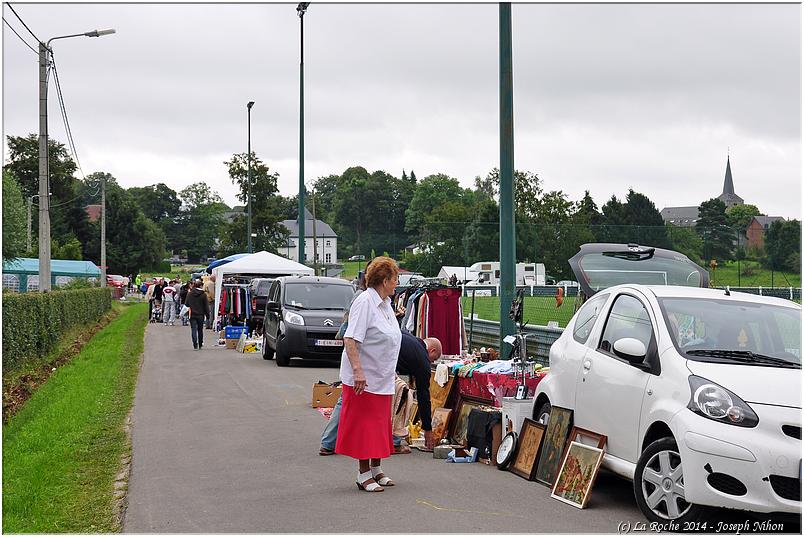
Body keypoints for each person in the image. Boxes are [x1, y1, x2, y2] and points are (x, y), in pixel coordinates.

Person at [335, 256, 401, 493]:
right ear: (384, 280)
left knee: (379, 425)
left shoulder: (385, 305)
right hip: (364, 376)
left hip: (382, 376)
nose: (397, 283)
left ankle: (376, 468)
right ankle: (363, 473)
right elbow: (350, 338)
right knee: (364, 426)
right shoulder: (365, 302)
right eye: (395, 279)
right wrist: (358, 370)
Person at [320, 333, 442, 456]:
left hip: (360, 359)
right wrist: (427, 429)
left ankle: (327, 444)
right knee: (396, 403)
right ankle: (393, 443)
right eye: (434, 359)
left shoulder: (409, 338)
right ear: (432, 350)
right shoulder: (422, 359)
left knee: (346, 400)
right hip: (376, 370)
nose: (431, 362)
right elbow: (423, 395)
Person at [185, 279, 210, 350]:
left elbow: (186, 304)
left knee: (193, 329)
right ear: (200, 286)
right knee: (200, 330)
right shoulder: (203, 295)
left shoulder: (189, 294)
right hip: (200, 315)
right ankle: (200, 343)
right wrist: (208, 315)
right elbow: (206, 306)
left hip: (192, 314)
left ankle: (195, 344)